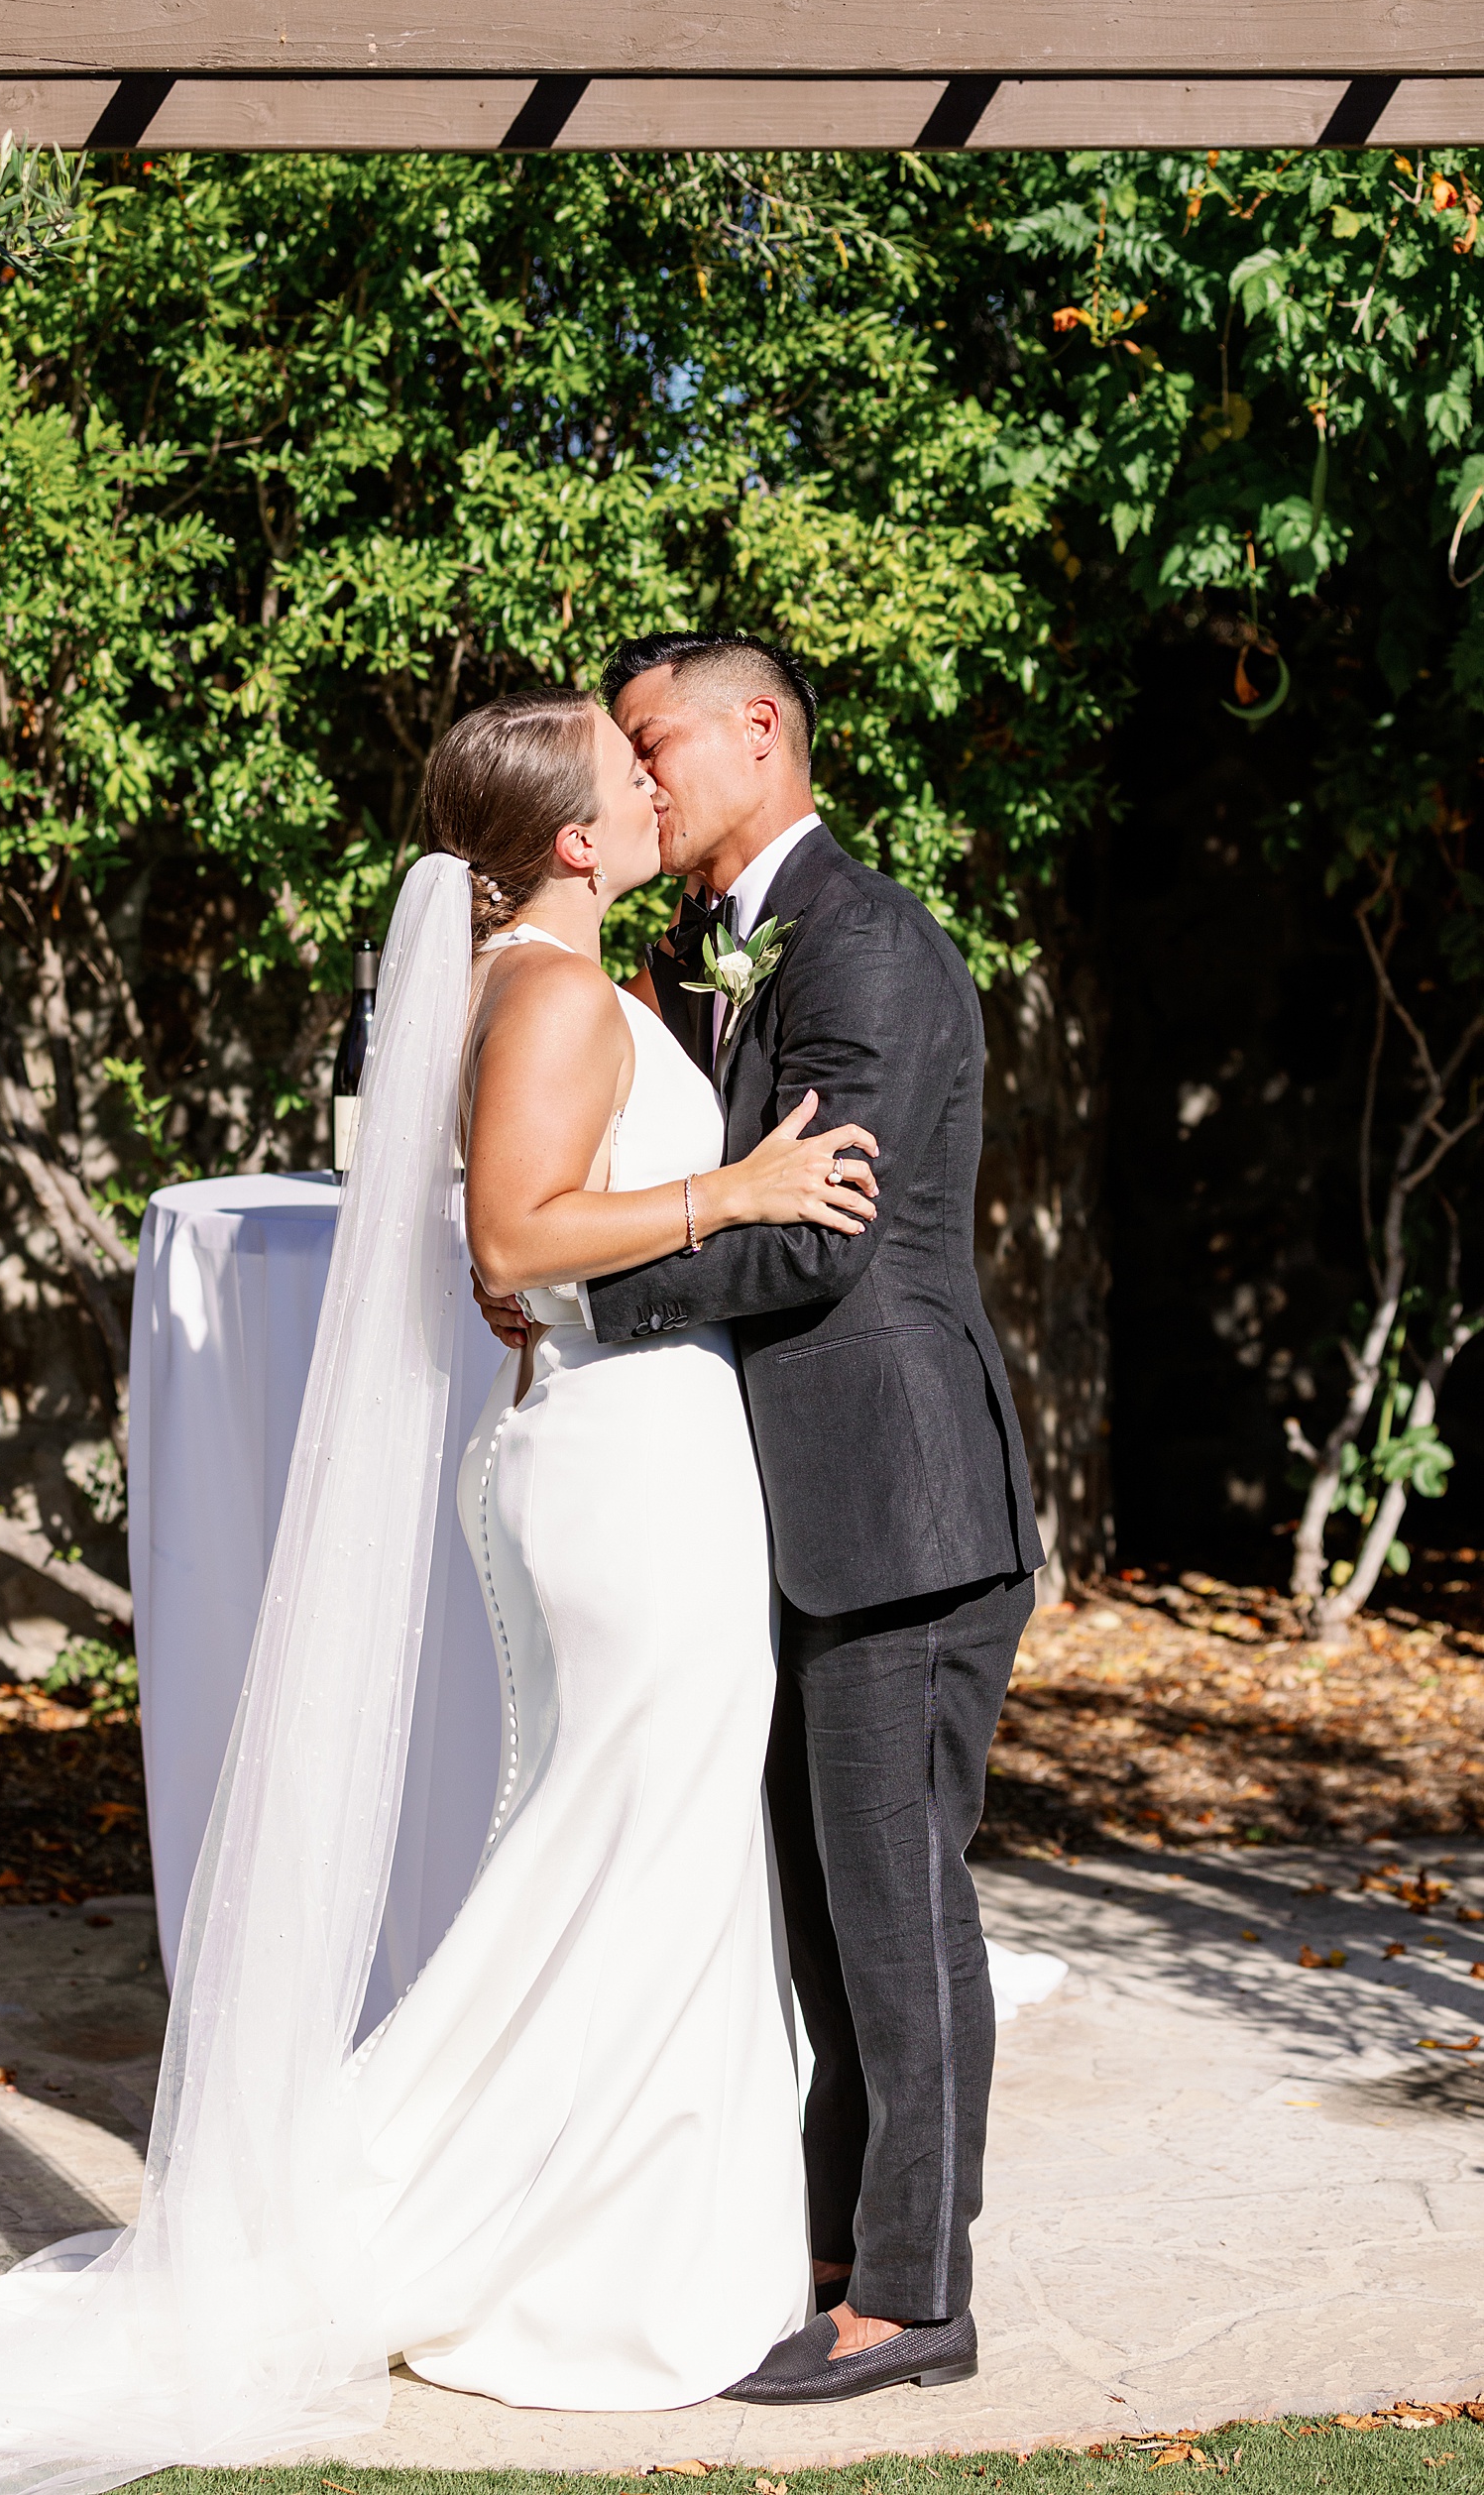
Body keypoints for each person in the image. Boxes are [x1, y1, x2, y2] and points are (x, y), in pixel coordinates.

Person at [0, 687, 886, 2493]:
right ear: (573, 838)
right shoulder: (546, 991)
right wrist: (738, 1185)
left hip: (643, 1457)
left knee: (639, 1854)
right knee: (633, 1851)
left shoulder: (563, 985)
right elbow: (516, 1237)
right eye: (628, 777)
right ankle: (532, 2261)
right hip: (624, 1474)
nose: (649, 786)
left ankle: (617, 2243)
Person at [476, 633, 1045, 2407]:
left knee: (893, 1896)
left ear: (761, 732)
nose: (643, 782)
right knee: (823, 1900)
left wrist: (584, 1301)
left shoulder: (863, 942)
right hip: (790, 1506)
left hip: (899, 1496)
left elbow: (820, 1232)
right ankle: (841, 2236)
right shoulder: (715, 953)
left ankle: (912, 2297)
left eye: (659, 746)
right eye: (623, 759)